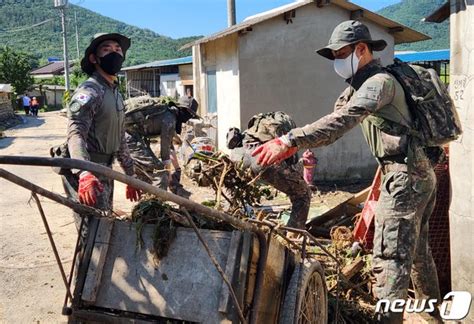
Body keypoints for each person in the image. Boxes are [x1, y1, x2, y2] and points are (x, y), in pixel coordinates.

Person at [252, 20, 442, 323]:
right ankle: (433, 317)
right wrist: (293, 144)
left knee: (390, 257)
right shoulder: (359, 86)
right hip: (415, 174)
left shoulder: (380, 83)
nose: (337, 62)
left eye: (341, 54)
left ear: (362, 49)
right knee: (418, 253)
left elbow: (345, 120)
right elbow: (334, 121)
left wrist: (289, 139)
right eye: (335, 56)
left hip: (406, 177)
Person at [63, 33, 141, 222]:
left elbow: (120, 137)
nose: (114, 53)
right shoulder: (89, 91)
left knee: (104, 224)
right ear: (94, 58)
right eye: (107, 49)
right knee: (92, 234)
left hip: (106, 169)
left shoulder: (115, 93)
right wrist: (83, 172)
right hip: (87, 172)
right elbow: (75, 133)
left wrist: (131, 175)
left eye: (118, 49)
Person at [228, 116, 311, 231]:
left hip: (237, 155)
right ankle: (292, 235)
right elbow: (290, 158)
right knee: (302, 193)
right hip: (262, 157)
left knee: (238, 193)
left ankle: (234, 224)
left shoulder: (257, 124)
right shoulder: (285, 124)